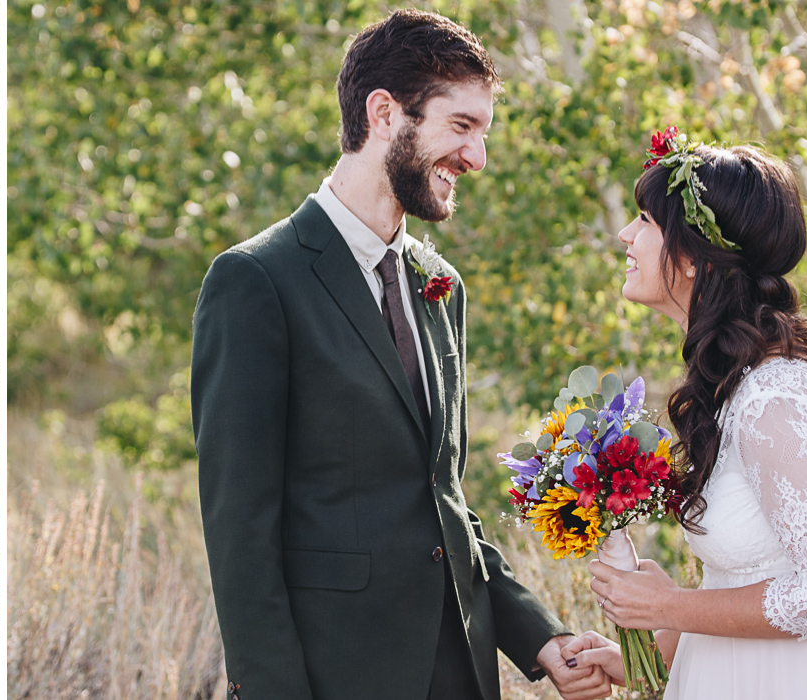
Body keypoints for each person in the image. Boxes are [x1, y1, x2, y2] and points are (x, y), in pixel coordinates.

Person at [190, 10, 612, 700]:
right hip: (337, 678)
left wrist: (540, 638)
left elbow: (442, 502)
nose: (476, 159)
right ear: (384, 113)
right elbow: (240, 534)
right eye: (461, 127)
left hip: (461, 674)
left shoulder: (440, 288)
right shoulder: (255, 281)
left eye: (483, 134)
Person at [571, 130, 807, 698]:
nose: (625, 234)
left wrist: (669, 603)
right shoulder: (733, 387)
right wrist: (645, 651)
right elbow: (746, 580)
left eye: (644, 219)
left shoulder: (776, 404)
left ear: (689, 256)